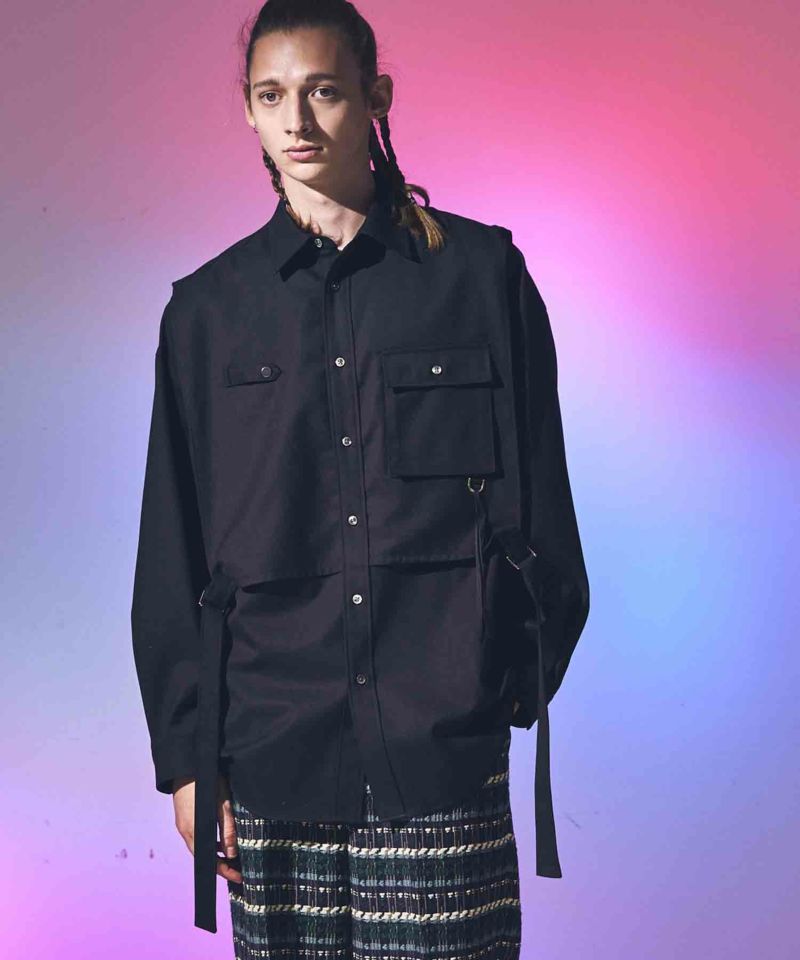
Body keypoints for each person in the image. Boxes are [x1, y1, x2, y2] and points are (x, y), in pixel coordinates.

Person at [130, 0, 590, 956]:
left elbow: (544, 505)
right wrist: (188, 758)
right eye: (270, 96)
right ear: (247, 109)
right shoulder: (206, 314)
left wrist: (502, 686)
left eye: (323, 91)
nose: (296, 120)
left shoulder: (483, 277)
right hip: (270, 753)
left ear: (376, 97)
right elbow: (172, 550)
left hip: (442, 749)